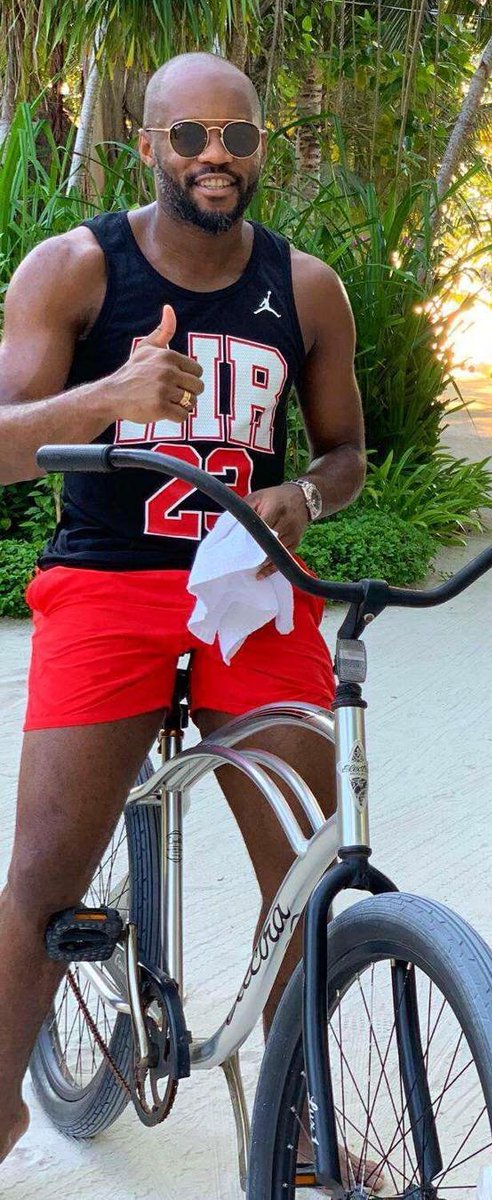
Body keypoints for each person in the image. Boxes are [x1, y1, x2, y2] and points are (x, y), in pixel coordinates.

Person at [0, 53, 365, 1162]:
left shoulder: (307, 287)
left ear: (261, 149)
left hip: (248, 589)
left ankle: (300, 1126)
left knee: (307, 869)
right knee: (45, 875)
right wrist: (107, 396)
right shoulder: (74, 269)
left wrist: (305, 496)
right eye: (192, 135)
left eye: (237, 136)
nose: (216, 155)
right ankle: (2, 1109)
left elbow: (346, 452)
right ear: (149, 145)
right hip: (109, 581)